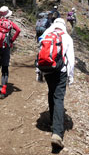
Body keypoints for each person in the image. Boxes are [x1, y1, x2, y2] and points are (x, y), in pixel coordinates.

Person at [37, 18, 75, 149]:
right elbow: (71, 59)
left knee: (51, 92)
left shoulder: (46, 35)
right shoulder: (67, 37)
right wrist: (71, 77)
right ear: (64, 26)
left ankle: (53, 121)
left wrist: (39, 72)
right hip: (61, 71)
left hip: (47, 70)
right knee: (58, 98)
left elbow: (40, 55)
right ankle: (57, 133)